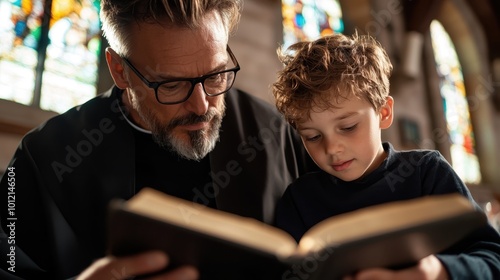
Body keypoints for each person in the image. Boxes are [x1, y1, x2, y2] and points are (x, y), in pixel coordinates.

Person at [0, 0, 315, 279]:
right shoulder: (43, 157)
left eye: (215, 75)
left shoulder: (275, 133)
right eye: (172, 85)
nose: (201, 105)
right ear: (119, 70)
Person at [271, 33, 500, 280]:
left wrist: (439, 272)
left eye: (348, 127)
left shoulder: (426, 172)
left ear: (384, 112)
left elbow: (492, 257)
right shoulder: (299, 198)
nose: (332, 149)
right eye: (313, 136)